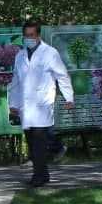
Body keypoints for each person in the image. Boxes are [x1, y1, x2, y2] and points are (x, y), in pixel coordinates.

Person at [9, 21, 74, 187]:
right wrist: (13, 103)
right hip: (25, 106)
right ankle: (44, 174)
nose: (28, 38)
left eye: (32, 35)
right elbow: (16, 81)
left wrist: (69, 97)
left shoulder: (50, 53)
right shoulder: (20, 56)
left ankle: (37, 177)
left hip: (42, 104)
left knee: (38, 142)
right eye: (26, 35)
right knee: (32, 142)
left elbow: (62, 76)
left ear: (38, 36)